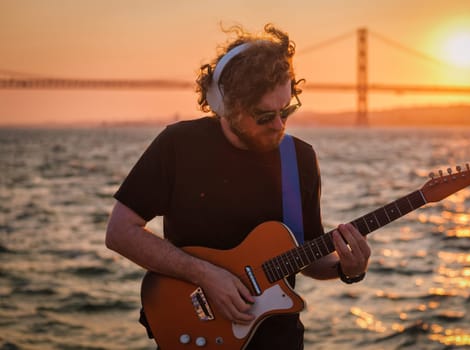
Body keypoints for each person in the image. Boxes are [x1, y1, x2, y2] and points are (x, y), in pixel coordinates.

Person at [105, 23, 371, 349]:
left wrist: (346, 269)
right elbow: (120, 231)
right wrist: (204, 275)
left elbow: (307, 255)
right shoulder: (179, 145)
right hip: (196, 332)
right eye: (264, 116)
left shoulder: (299, 158)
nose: (279, 125)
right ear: (227, 106)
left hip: (279, 340)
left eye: (286, 110)